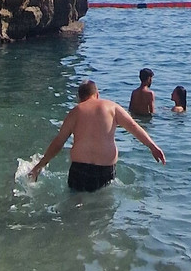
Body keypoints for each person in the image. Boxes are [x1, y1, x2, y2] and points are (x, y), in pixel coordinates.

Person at [28, 80, 165, 191]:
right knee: (103, 212)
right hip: (105, 170)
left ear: (79, 98)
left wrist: (38, 166)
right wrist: (152, 146)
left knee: (76, 207)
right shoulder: (112, 107)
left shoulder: (76, 111)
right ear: (97, 94)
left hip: (79, 169)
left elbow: (59, 142)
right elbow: (134, 127)